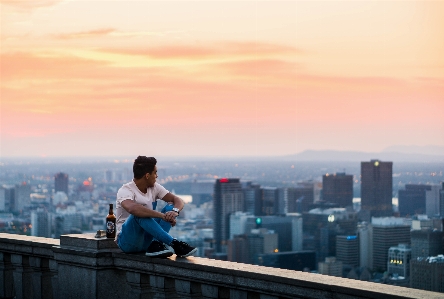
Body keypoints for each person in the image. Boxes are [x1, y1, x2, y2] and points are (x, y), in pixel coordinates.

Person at [115, 156, 197, 258]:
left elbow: (177, 200)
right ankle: (174, 244)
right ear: (147, 175)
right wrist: (162, 216)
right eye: (155, 173)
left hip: (147, 240)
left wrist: (174, 212)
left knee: (170, 207)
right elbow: (132, 209)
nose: (156, 176)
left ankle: (155, 245)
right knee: (138, 214)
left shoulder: (154, 188)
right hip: (128, 242)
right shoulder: (126, 190)